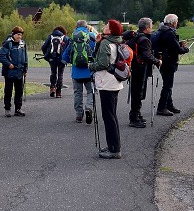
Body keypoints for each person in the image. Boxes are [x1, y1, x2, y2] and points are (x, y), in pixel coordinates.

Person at [91, 19, 125, 158]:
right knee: (112, 115)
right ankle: (113, 146)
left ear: (110, 30)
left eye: (107, 25)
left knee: (108, 116)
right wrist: (98, 42)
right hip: (115, 81)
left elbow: (102, 63)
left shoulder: (106, 42)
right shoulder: (117, 41)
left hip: (107, 82)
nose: (104, 26)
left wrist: (91, 66)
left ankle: (114, 150)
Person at [128, 17, 162, 128]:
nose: (152, 28)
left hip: (134, 68)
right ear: (147, 27)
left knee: (137, 92)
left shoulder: (135, 36)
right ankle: (134, 118)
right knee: (138, 93)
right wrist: (157, 61)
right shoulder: (144, 40)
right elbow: (147, 55)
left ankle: (136, 114)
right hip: (141, 69)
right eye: (151, 26)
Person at [153, 14, 189, 116]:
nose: (177, 23)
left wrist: (178, 44)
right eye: (176, 21)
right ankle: (161, 107)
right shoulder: (169, 33)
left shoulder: (161, 30)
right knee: (168, 86)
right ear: (173, 22)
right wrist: (185, 49)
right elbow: (176, 49)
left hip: (161, 60)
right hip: (168, 62)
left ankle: (169, 105)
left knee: (167, 84)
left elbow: (169, 45)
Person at [62, 19, 97, 124]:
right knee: (91, 91)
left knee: (78, 93)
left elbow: (65, 56)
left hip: (76, 72)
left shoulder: (73, 38)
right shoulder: (91, 37)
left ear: (76, 27)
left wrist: (72, 61)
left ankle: (78, 115)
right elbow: (96, 53)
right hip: (89, 70)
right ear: (86, 27)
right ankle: (89, 107)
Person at [0, 26, 28, 117]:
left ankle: (18, 109)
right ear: (13, 34)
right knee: (8, 91)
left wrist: (25, 69)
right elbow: (0, 55)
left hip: (20, 71)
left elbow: (25, 57)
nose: (19, 37)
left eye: (21, 35)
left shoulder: (23, 44)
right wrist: (8, 64)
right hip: (9, 72)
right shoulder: (8, 44)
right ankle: (7, 109)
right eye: (18, 34)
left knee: (19, 91)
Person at [41, 26, 68, 98]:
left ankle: (52, 88)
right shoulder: (65, 38)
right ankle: (58, 92)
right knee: (60, 74)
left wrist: (47, 55)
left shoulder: (50, 37)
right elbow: (68, 48)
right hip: (62, 59)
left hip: (52, 58)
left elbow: (43, 47)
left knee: (53, 73)